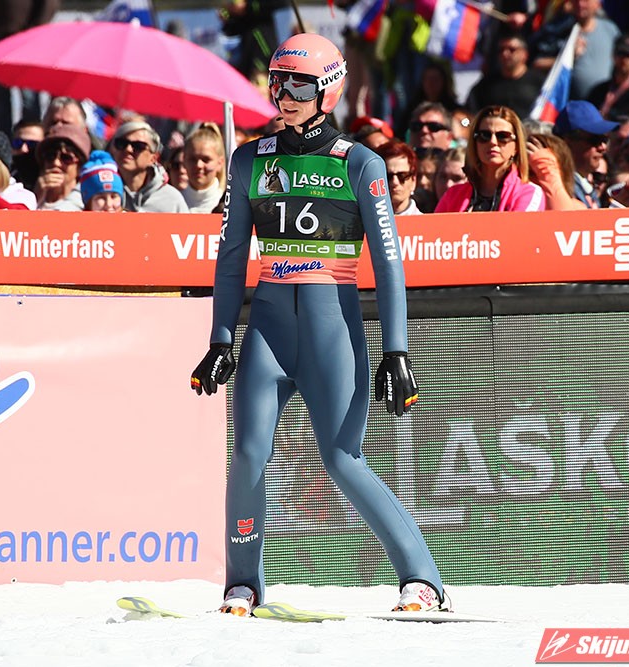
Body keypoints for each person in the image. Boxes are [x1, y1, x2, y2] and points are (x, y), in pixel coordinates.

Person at [190, 32, 448, 617]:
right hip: (270, 331)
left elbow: (389, 262)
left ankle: (422, 579)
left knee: (342, 458)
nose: (285, 95)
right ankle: (242, 584)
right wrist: (220, 339)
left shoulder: (360, 162)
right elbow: (230, 258)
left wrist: (397, 350)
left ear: (328, 91)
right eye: (277, 83)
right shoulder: (249, 159)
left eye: (299, 86)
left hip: (333, 329)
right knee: (248, 455)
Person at [435, 105, 545, 213]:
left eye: (503, 136)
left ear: (516, 146)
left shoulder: (528, 193)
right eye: (484, 135)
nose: (493, 142)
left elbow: (519, 226)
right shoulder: (453, 195)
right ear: (475, 143)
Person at [0, 0, 58, 135]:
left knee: (29, 98)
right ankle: (3, 141)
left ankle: (31, 139)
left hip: (25, 40)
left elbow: (49, 3)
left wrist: (35, 28)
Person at [108, 120, 188, 213]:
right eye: (121, 143)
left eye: (138, 146)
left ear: (153, 158)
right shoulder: (102, 193)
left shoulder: (172, 200)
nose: (128, 149)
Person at [552, 100, 619, 208]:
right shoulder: (557, 183)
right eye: (595, 140)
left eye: (604, 139)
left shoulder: (585, 184)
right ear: (567, 142)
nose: (603, 147)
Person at [466, 31, 546, 121]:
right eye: (501, 50)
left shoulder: (540, 82)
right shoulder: (486, 84)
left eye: (512, 49)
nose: (505, 54)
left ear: (525, 54)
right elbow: (468, 115)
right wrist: (466, 124)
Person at [34, 124, 91, 211]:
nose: (56, 163)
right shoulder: (27, 199)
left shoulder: (89, 205)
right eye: (50, 156)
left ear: (80, 167)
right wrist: (34, 198)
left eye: (66, 158)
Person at [526, 133, 588, 210]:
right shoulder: (516, 201)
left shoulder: (577, 207)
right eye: (529, 172)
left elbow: (563, 214)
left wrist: (543, 164)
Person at [181, 123, 227, 213]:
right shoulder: (173, 203)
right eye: (192, 159)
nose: (199, 165)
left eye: (206, 159)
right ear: (184, 160)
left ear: (220, 163)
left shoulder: (228, 207)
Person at [377, 140, 421, 216]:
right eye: (387, 176)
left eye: (402, 176)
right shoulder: (363, 221)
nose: (394, 182)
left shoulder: (426, 222)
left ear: (413, 180)